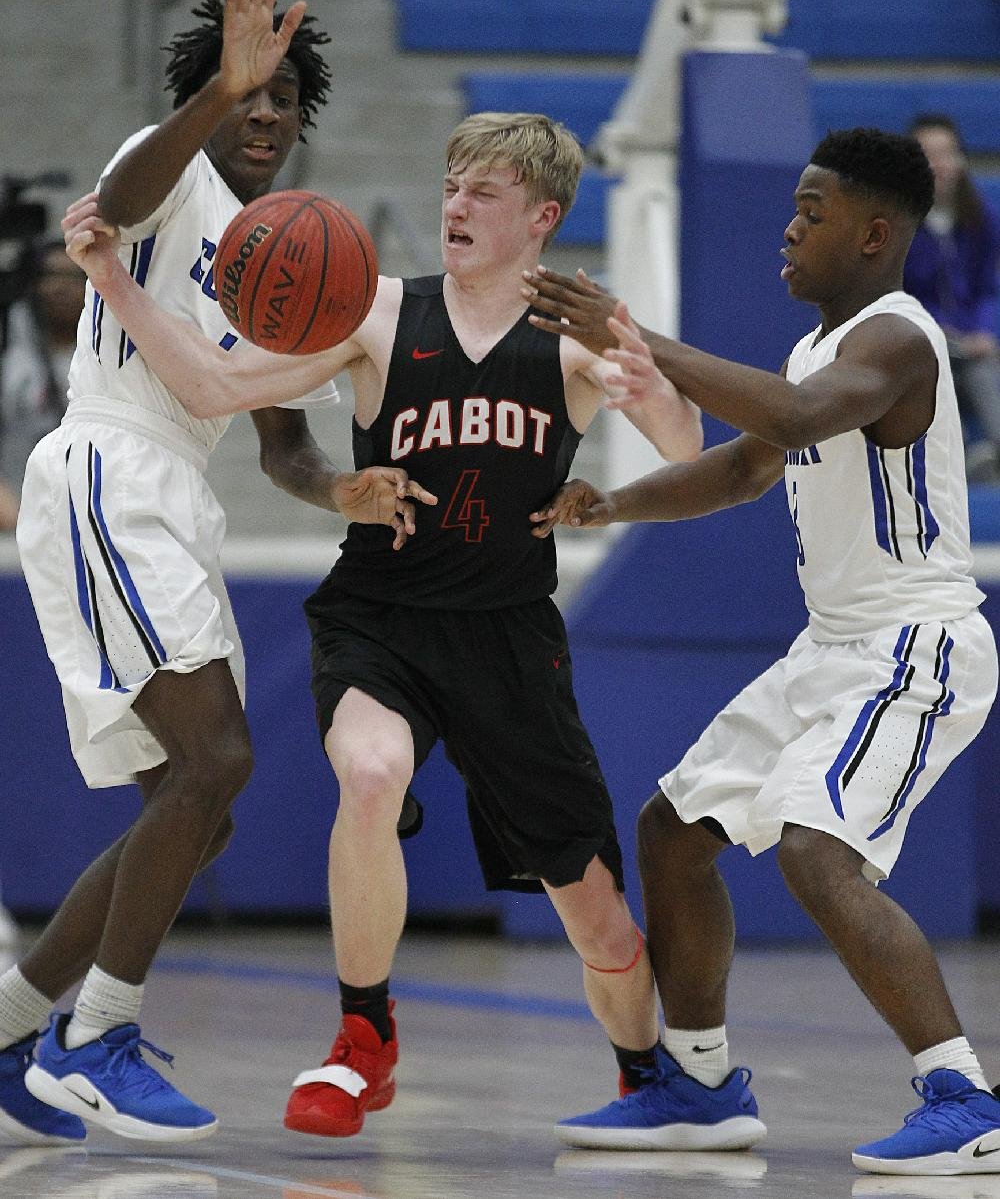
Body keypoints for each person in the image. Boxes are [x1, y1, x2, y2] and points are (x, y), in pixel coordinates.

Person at [60, 109, 704, 1139]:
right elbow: (215, 382)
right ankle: (364, 1035)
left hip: (507, 635)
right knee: (368, 775)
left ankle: (647, 1077)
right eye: (450, 184)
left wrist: (650, 379)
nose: (455, 205)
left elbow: (680, 441)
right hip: (382, 615)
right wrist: (117, 283)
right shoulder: (374, 315)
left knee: (604, 928)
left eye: (482, 192)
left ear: (541, 218)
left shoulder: (576, 339)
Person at [0, 0, 430, 1150]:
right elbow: (128, 188)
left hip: (178, 496)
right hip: (108, 468)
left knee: (200, 806)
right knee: (216, 762)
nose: (268, 114)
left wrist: (337, 487)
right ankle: (99, 1035)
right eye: (253, 91)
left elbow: (281, 440)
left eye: (286, 100)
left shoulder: (280, 248)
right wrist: (217, 87)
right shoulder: (168, 182)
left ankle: (16, 1020)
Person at [521, 127, 1000, 1176]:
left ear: (874, 235)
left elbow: (792, 415)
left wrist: (633, 334)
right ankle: (696, 1087)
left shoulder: (898, 339)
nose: (788, 227)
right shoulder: (815, 349)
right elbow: (747, 464)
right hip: (832, 648)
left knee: (814, 851)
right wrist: (613, 505)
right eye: (791, 205)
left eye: (812, 211)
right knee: (672, 829)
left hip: (911, 645)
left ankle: (965, 1097)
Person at [903, 114, 1000, 482]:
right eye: (927, 155)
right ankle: (952, 456)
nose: (938, 164)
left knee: (983, 370)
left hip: (969, 344)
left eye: (946, 154)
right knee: (936, 372)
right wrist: (934, 327)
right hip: (923, 342)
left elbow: (986, 289)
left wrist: (982, 331)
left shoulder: (982, 220)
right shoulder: (898, 224)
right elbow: (895, 292)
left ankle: (993, 451)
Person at [0, 240, 86, 527]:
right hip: (12, 508)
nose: (60, 287)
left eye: (73, 277)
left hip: (86, 511)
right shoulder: (9, 349)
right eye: (50, 276)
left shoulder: (112, 359)